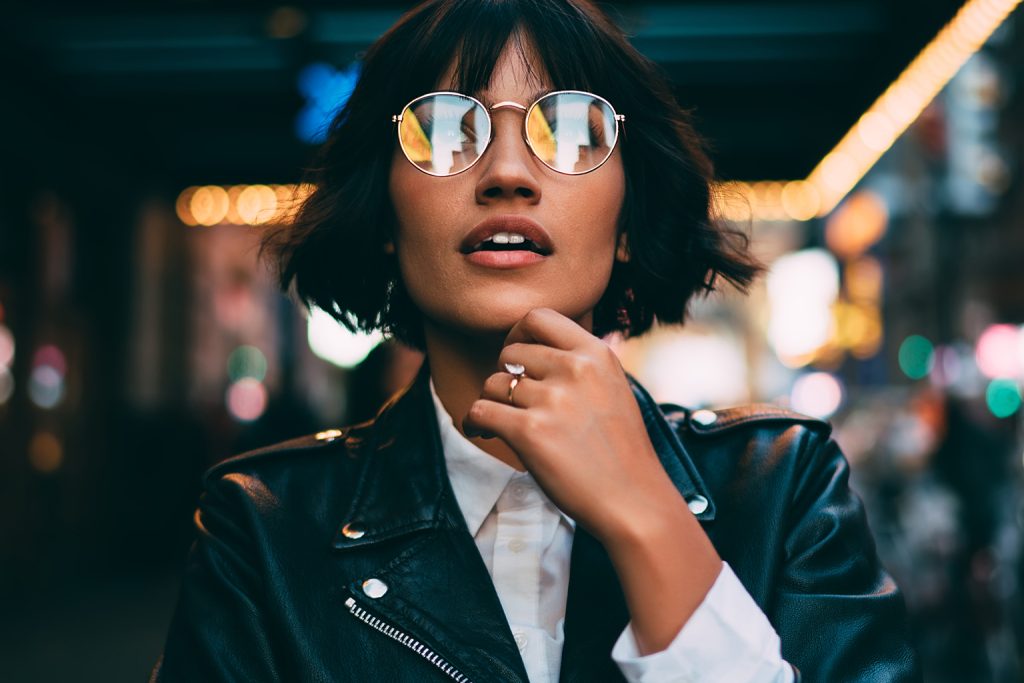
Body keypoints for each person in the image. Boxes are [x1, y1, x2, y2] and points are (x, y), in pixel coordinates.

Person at [151, 1, 921, 681]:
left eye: (573, 129)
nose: (508, 172)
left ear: (626, 223)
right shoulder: (263, 527)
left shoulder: (785, 488)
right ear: (385, 215)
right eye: (449, 128)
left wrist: (647, 515)